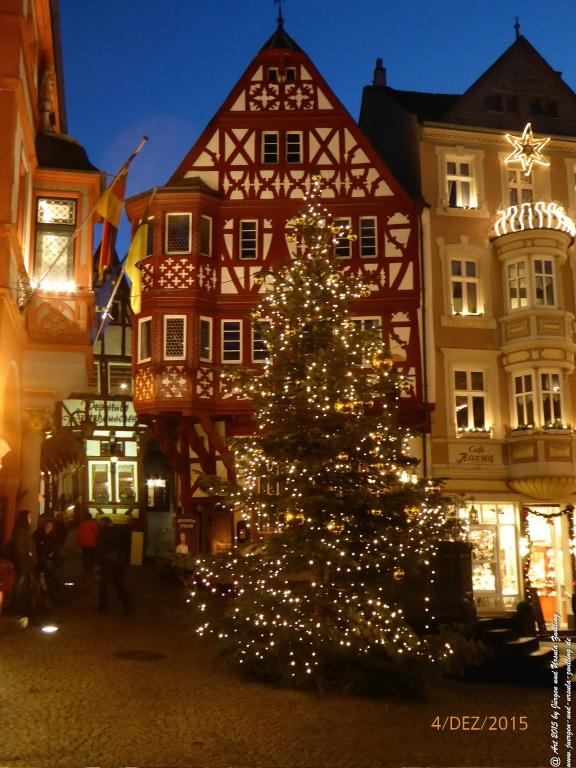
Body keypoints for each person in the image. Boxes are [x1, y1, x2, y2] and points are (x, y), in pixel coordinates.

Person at [95, 518, 131, 615]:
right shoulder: (121, 531)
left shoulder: (103, 533)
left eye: (100, 523)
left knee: (104, 585)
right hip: (116, 562)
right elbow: (125, 546)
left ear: (104, 523)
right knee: (118, 585)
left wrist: (98, 563)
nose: (99, 525)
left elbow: (100, 548)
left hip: (105, 562)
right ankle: (126, 606)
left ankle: (103, 604)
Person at [10, 510, 38, 613]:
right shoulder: (20, 531)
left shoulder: (22, 530)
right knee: (19, 583)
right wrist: (29, 554)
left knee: (22, 582)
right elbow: (19, 548)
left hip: (25, 561)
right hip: (23, 562)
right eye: (29, 517)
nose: (30, 519)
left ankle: (22, 603)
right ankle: (17, 604)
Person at [33, 517, 59, 602]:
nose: (49, 527)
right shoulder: (39, 533)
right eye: (48, 525)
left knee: (46, 572)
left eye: (51, 526)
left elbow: (55, 545)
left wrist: (51, 552)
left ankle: (46, 587)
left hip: (47, 557)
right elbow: (35, 544)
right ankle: (43, 588)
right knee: (41, 572)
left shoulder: (53, 535)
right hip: (40, 556)